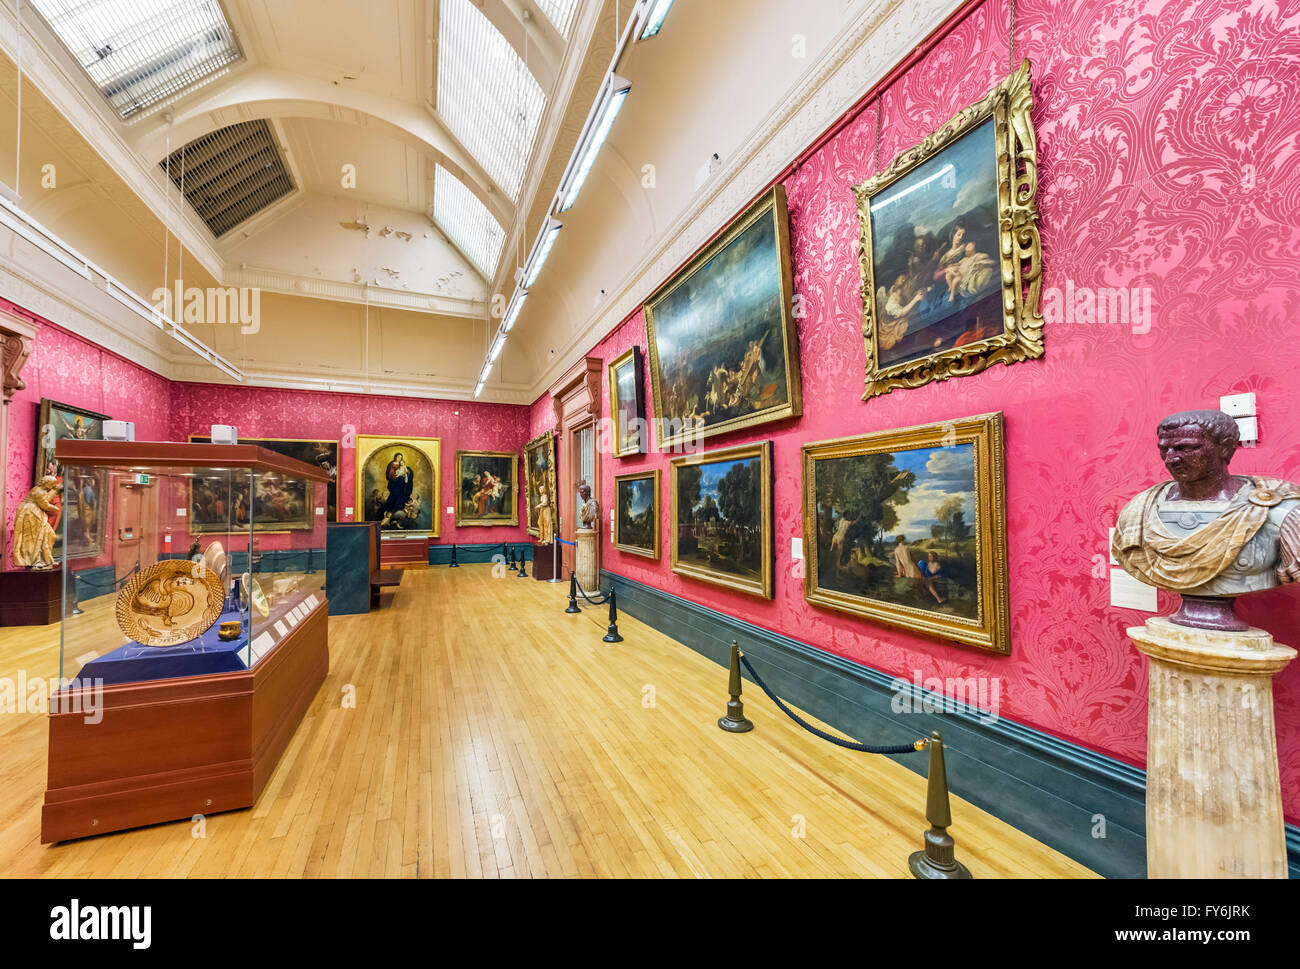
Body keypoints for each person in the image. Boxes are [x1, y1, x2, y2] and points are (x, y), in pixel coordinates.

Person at [1113, 409, 1300, 630]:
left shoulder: (1279, 510)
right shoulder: (1139, 511)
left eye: (1187, 448)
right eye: (1165, 450)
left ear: (1226, 447)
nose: (1171, 459)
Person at [382, 452, 414, 518]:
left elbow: (406, 471)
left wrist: (408, 472)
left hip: (402, 483)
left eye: (401, 457)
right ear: (395, 457)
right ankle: (390, 510)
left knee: (401, 495)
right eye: (398, 457)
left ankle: (399, 508)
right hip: (395, 483)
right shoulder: (391, 464)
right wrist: (395, 476)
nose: (399, 458)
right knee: (395, 495)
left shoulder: (402, 465)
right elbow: (390, 474)